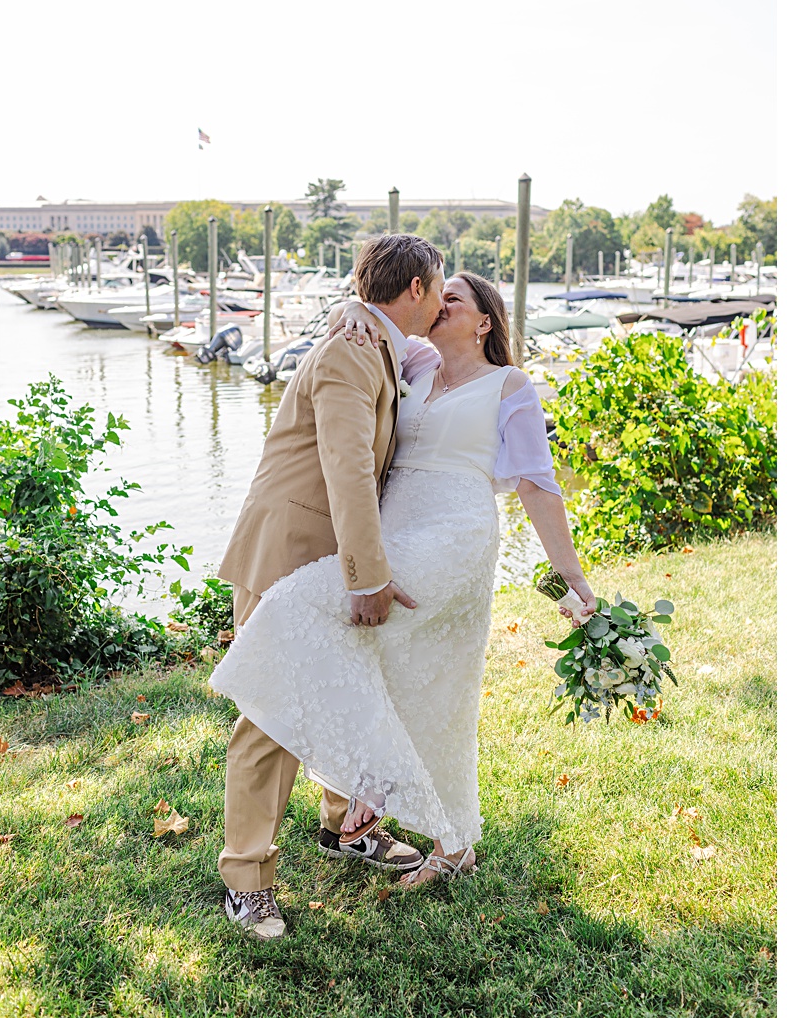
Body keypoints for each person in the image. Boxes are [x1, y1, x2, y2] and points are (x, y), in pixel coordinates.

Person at [210, 264, 594, 936]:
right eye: (437, 294)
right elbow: (372, 320)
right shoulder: (411, 362)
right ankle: (402, 826)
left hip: (454, 539)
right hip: (391, 535)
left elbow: (538, 485)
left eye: (457, 299)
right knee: (394, 677)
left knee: (311, 619)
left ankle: (363, 802)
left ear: (485, 322)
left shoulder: (511, 385)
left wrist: (570, 577)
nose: (441, 304)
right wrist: (345, 306)